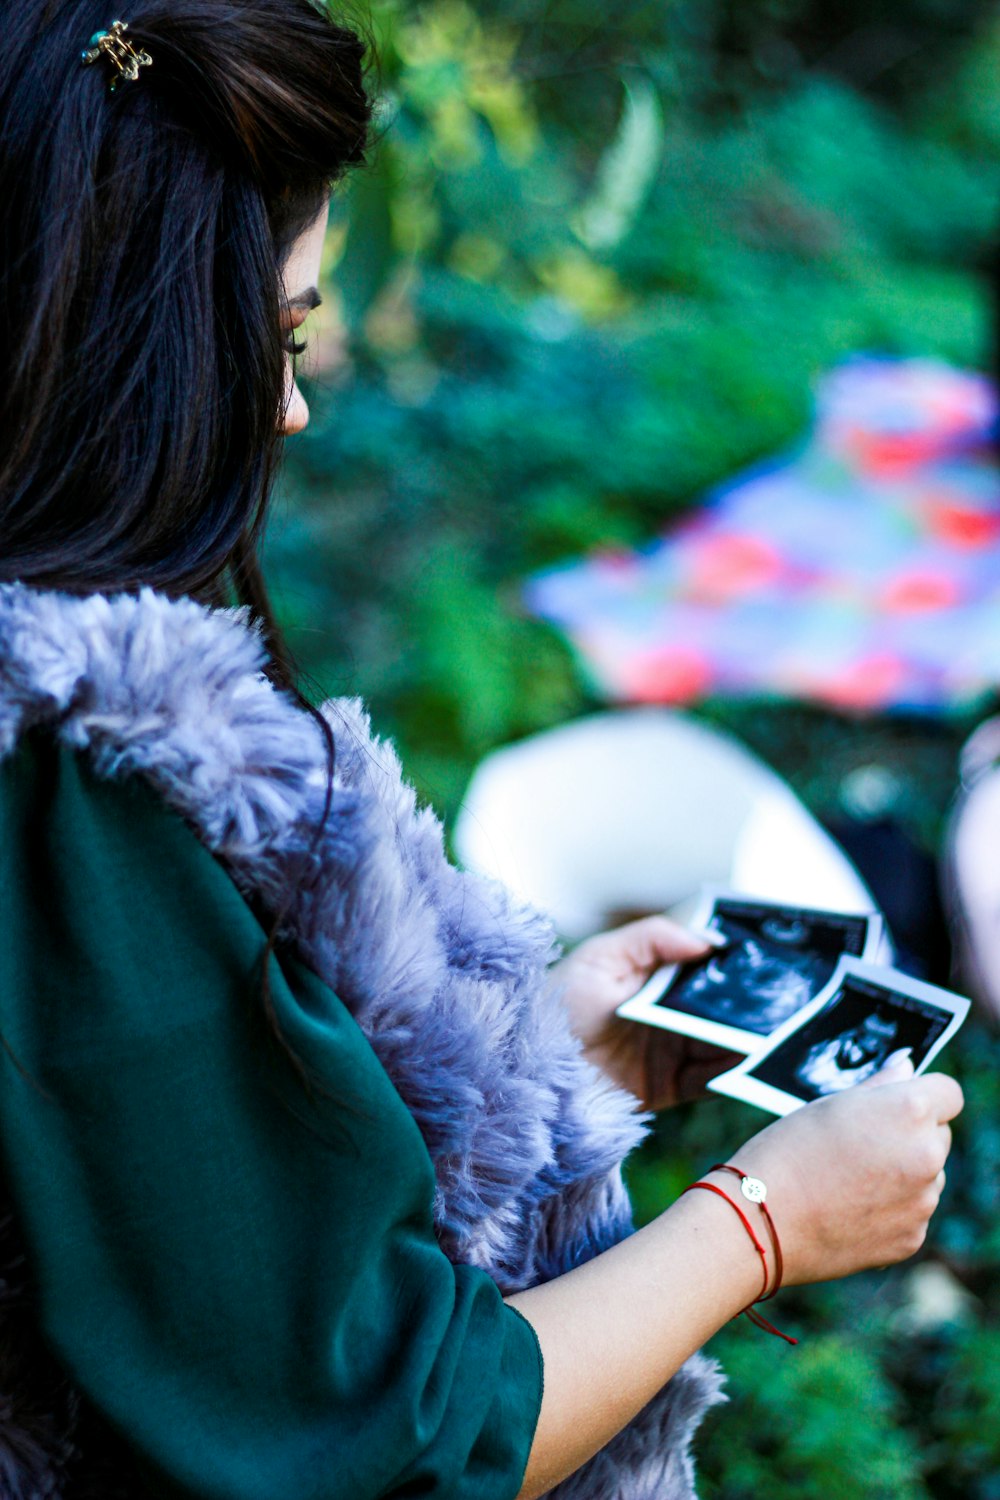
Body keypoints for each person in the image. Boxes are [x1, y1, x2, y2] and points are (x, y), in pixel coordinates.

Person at [0, 5, 963, 1499]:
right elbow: (391, 1439)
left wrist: (516, 1083)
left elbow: (174, 1223)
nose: (294, 406)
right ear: (131, 337)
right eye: (284, 329)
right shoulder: (73, 787)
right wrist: (764, 1221)